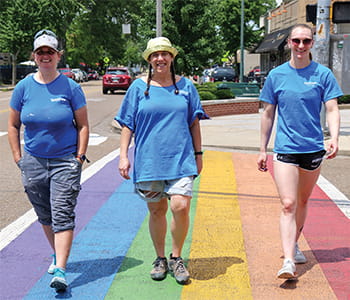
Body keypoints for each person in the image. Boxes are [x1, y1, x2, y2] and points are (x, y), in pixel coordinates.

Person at [116, 37, 205, 284]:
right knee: (157, 210)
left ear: (172, 58)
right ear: (148, 59)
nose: (160, 58)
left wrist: (199, 155)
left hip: (181, 158)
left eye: (165, 54)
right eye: (155, 55)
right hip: (149, 161)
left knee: (180, 206)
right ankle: (160, 258)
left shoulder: (187, 86)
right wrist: (124, 155)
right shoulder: (137, 88)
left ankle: (176, 257)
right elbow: (127, 124)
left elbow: (194, 123)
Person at [257, 24, 342, 280]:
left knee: (303, 201)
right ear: (288, 43)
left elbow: (332, 109)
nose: (301, 46)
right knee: (288, 203)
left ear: (312, 43)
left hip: (313, 149)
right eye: (296, 41)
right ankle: (288, 261)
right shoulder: (276, 76)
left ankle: (294, 243)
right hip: (285, 149)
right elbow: (268, 113)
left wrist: (335, 138)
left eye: (306, 41)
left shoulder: (323, 74)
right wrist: (262, 148)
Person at [8, 29, 89, 292]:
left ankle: (62, 270)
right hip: (33, 162)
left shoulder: (71, 87)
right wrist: (19, 158)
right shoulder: (23, 87)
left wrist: (78, 158)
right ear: (34, 56)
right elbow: (12, 125)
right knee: (45, 215)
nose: (45, 56)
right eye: (41, 52)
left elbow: (83, 125)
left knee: (62, 213)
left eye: (50, 52)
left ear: (58, 56)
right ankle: (57, 255)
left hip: (65, 161)